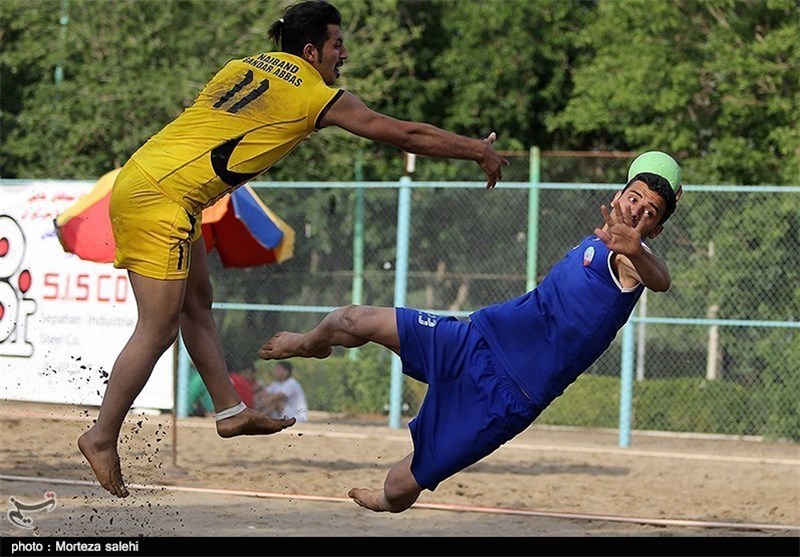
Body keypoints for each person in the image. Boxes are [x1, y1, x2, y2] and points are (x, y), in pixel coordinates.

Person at [77, 0, 508, 498]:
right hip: (164, 199)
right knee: (156, 330)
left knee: (198, 304)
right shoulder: (312, 93)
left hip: (150, 178)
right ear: (311, 50)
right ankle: (102, 436)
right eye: (337, 44)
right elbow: (404, 133)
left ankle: (230, 411)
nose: (343, 53)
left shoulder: (242, 65)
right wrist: (476, 148)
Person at [259, 151, 684, 513]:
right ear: (617, 197)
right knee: (352, 318)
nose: (637, 211)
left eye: (651, 212)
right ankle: (309, 343)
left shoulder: (633, 263)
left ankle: (387, 500)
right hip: (475, 340)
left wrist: (636, 250)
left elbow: (660, 278)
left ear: (656, 229)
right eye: (634, 199)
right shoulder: (600, 240)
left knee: (398, 490)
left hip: (507, 398)